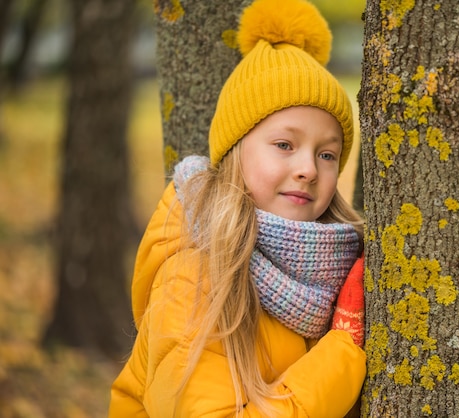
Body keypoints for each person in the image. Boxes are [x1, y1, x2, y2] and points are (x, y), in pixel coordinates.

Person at [108, 0, 366, 416]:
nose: (307, 169)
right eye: (285, 145)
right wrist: (343, 348)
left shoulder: (334, 271)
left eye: (327, 154)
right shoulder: (195, 278)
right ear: (235, 152)